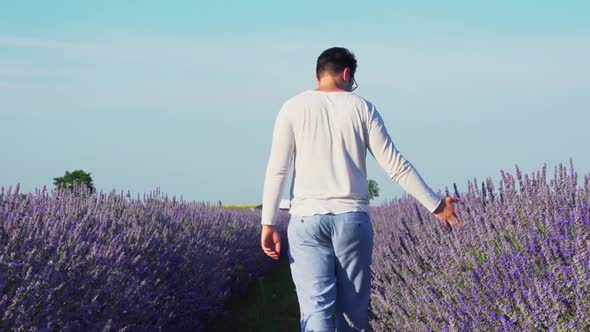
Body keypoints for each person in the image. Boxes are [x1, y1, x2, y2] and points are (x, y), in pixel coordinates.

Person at [260, 47, 461, 332]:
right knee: (352, 314)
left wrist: (267, 223)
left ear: (319, 74)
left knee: (316, 309)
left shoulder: (292, 107)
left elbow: (277, 170)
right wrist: (437, 205)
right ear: (346, 74)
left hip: (306, 219)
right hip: (351, 219)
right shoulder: (362, 108)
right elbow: (395, 165)